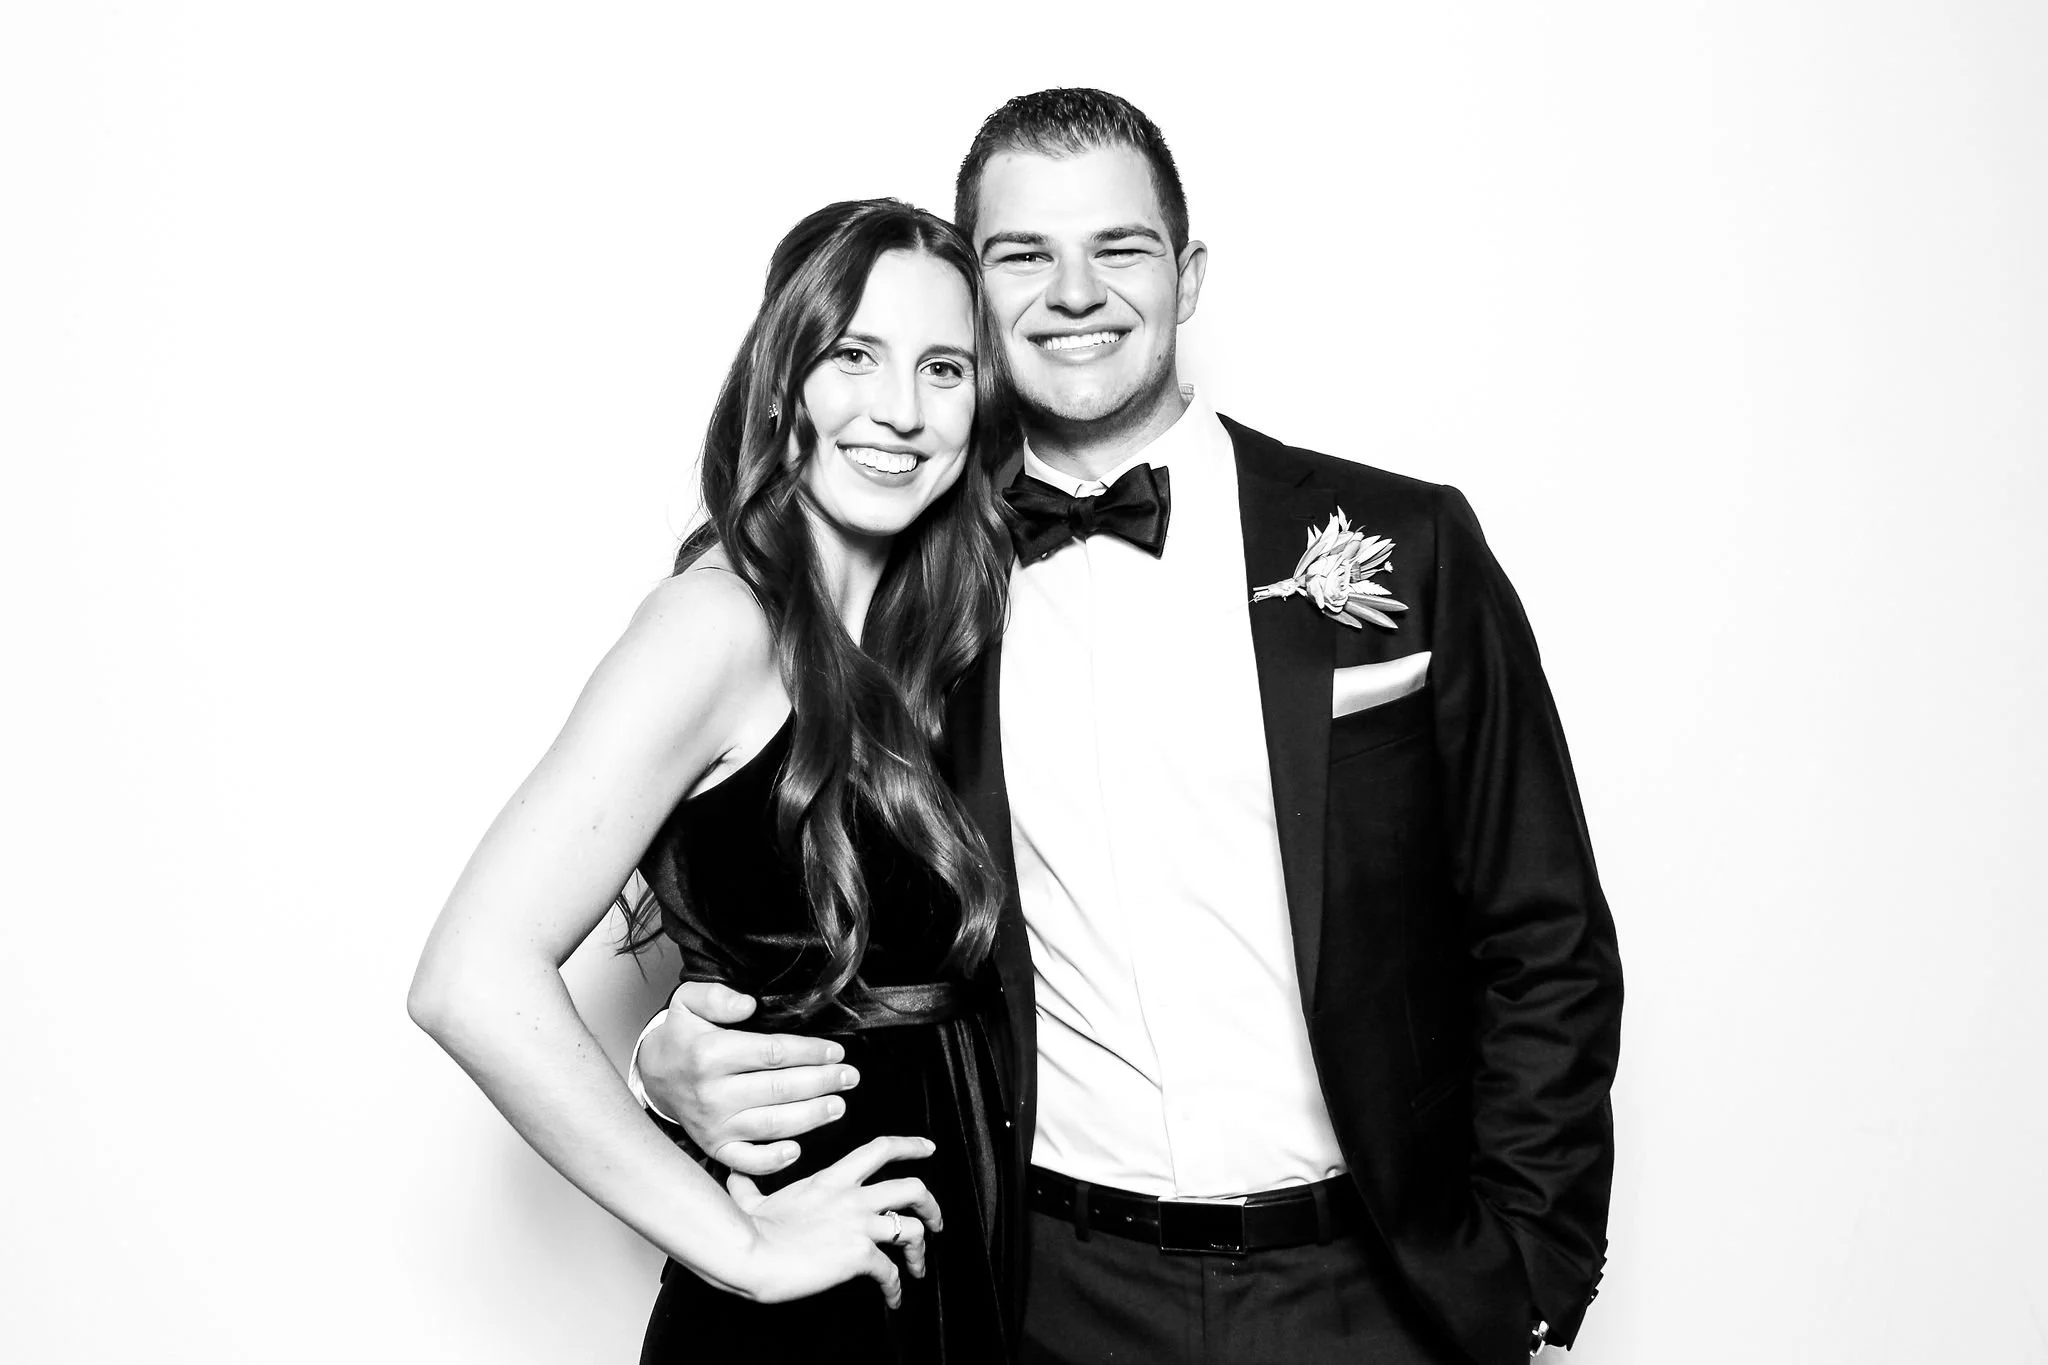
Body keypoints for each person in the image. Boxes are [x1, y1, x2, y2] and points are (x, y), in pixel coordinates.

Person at [634, 89, 1624, 1365]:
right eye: (1020, 255)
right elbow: (787, 890)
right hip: (1041, 1295)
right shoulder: (896, 590)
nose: (1073, 293)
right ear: (968, 301)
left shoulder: (1408, 543)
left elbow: (1541, 931)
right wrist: (664, 1067)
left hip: (1376, 1288)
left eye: (1119, 247)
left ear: (1188, 274)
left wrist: (1526, 1273)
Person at [407, 197, 1023, 1364]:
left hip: (945, 1276)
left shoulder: (928, 638)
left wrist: (652, 1063)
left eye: (942, 367)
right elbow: (468, 977)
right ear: (783, 382)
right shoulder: (716, 625)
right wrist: (736, 1246)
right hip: (810, 1311)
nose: (900, 409)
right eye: (854, 356)